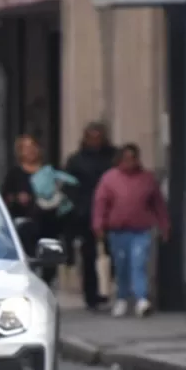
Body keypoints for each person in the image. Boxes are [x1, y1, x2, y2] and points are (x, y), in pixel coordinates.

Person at [93, 143, 170, 318]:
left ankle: (141, 298)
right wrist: (99, 225)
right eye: (126, 158)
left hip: (141, 230)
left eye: (133, 158)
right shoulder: (110, 179)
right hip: (118, 231)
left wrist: (164, 225)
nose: (130, 162)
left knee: (138, 263)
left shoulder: (147, 179)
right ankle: (122, 297)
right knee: (122, 266)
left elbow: (158, 204)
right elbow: (101, 203)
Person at [64, 122, 118, 311]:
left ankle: (110, 290)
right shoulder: (76, 160)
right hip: (85, 213)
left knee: (113, 254)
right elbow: (69, 186)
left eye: (98, 137)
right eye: (91, 137)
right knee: (89, 255)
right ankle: (91, 295)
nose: (95, 141)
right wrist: (78, 207)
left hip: (111, 212)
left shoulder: (113, 157)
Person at [1, 134, 61, 285]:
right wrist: (17, 198)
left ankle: (47, 283)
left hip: (48, 221)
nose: (30, 151)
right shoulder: (15, 174)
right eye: (26, 148)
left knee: (49, 260)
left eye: (33, 147)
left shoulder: (48, 172)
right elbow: (5, 197)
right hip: (25, 224)